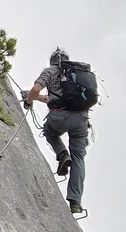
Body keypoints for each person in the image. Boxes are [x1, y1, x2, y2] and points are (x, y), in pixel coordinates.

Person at [25, 48, 91, 214]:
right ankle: (75, 201)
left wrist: (29, 100)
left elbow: (36, 90)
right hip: (81, 120)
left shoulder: (51, 71)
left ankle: (62, 155)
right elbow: (51, 97)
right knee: (79, 158)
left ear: (52, 61)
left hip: (59, 117)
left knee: (49, 132)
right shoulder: (75, 75)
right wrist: (33, 97)